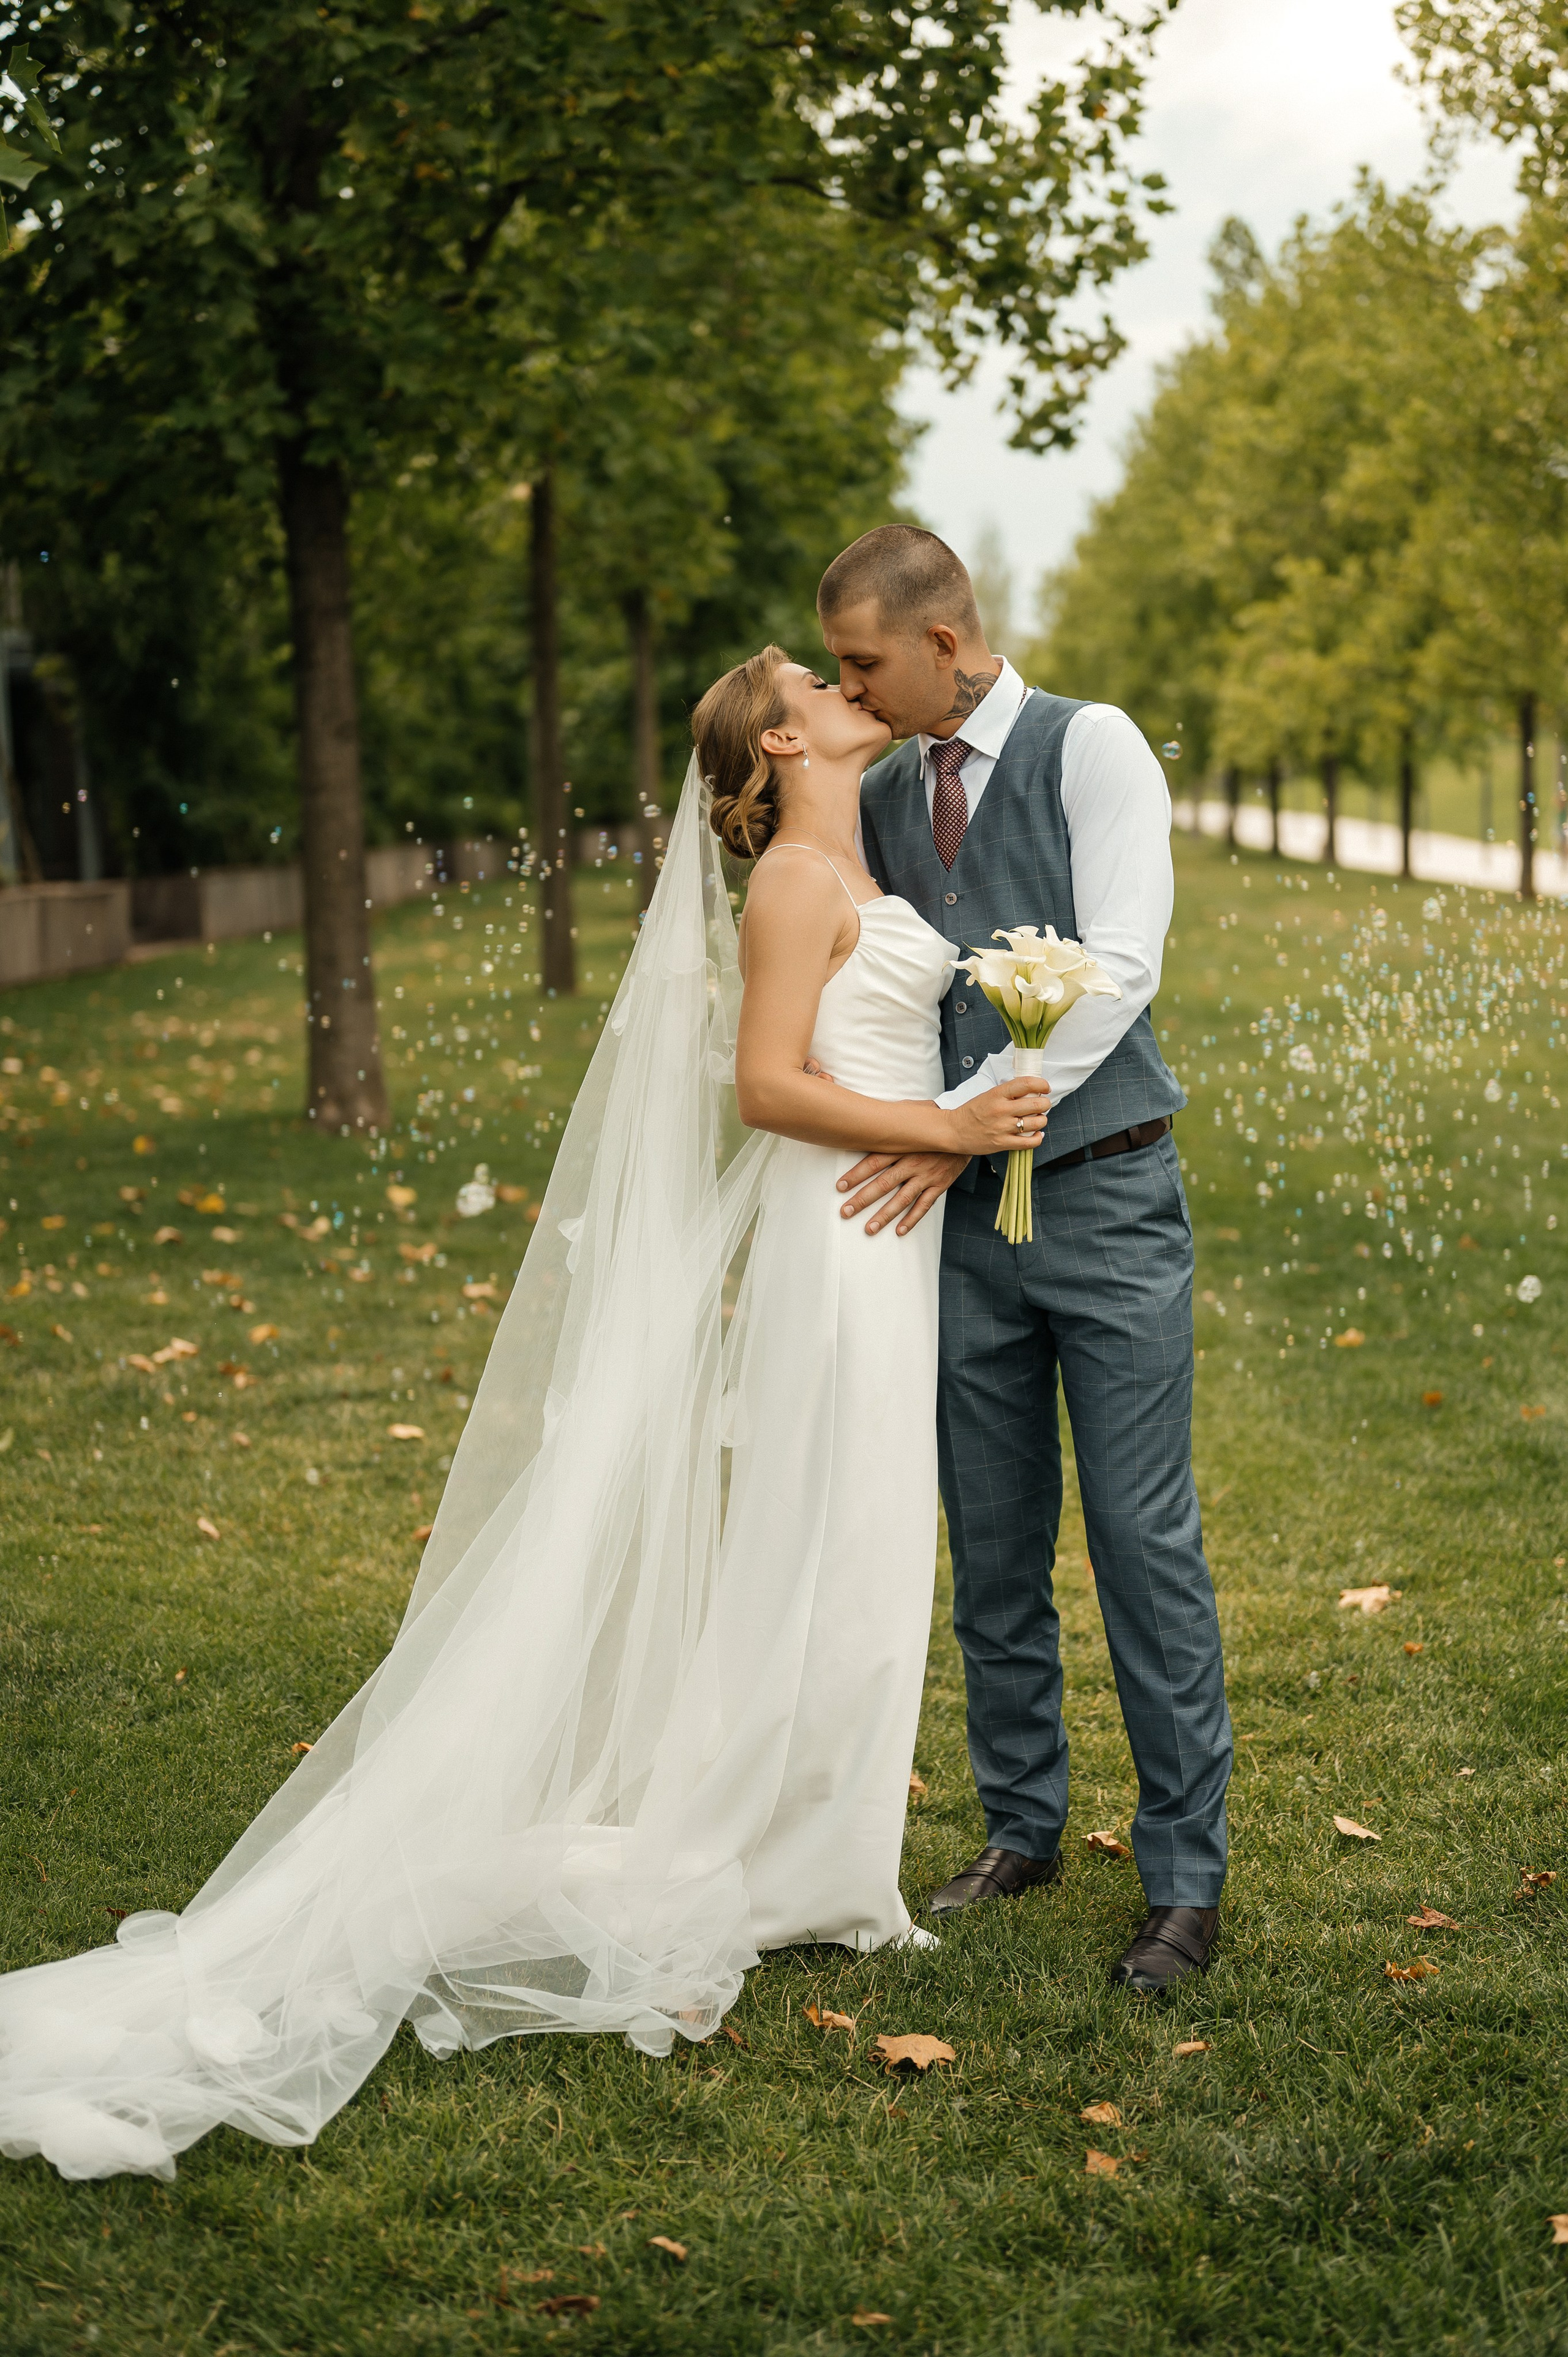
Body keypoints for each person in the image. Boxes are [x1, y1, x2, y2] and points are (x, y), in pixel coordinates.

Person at [0, 649, 1045, 2185]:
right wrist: (939, 1129)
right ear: (782, 734)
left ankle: (827, 1861)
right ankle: (783, 1864)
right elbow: (766, 1086)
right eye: (818, 679)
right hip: (841, 1239)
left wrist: (952, 1131)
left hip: (883, 1237)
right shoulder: (790, 889)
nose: (845, 684)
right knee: (838, 1534)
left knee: (873, 1543)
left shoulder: (848, 852)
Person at [818, 524, 1232, 1993]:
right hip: (950, 1235)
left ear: (941, 641)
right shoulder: (872, 792)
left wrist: (958, 1123)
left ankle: (1183, 1878)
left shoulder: (1090, 746)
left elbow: (1119, 964)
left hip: (1105, 1201)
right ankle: (1020, 1824)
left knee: (1138, 1539)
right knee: (989, 1541)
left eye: (862, 661)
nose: (847, 687)